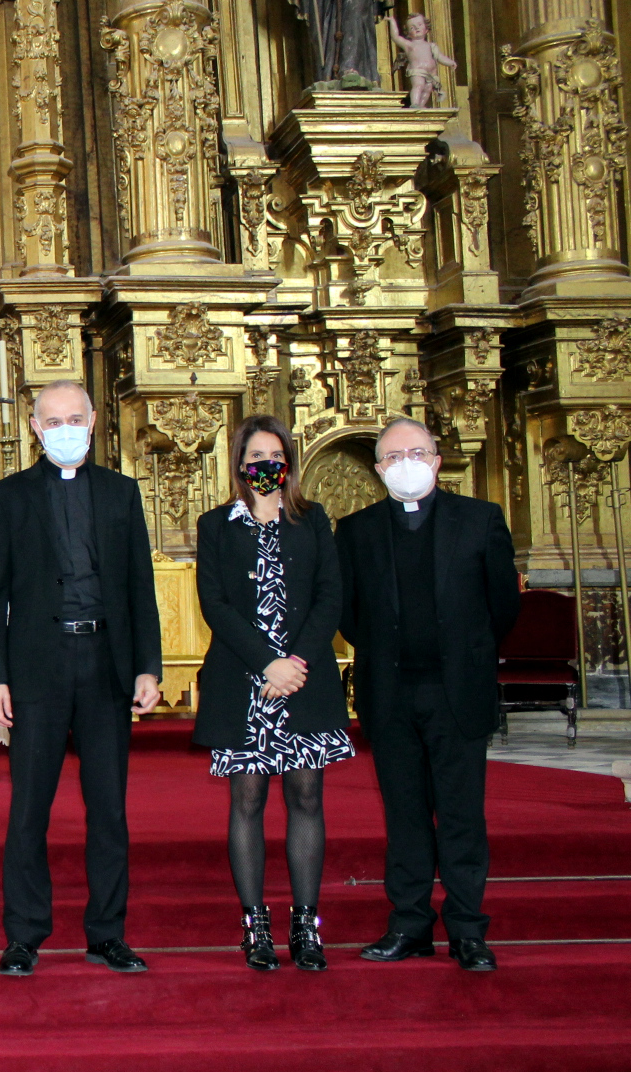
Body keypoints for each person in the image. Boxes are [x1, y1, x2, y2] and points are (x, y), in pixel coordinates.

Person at [0, 380, 163, 977]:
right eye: (51, 420)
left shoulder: (121, 492)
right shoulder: (8, 496)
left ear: (91, 421)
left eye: (74, 418)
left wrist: (148, 665)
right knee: (29, 806)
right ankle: (24, 933)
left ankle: (108, 931)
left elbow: (140, 585)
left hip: (107, 662)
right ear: (34, 427)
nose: (63, 428)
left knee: (108, 808)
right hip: (37, 666)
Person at [337, 417, 520, 971]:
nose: (406, 464)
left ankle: (467, 930)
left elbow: (502, 607)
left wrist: (466, 655)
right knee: (406, 816)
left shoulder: (480, 520)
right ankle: (410, 924)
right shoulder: (356, 530)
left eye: (416, 453)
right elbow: (349, 614)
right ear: (378, 470)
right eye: (393, 457)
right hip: (390, 692)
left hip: (457, 692)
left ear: (437, 461)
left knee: (462, 816)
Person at [194, 415, 352, 972]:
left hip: (303, 681)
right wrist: (267, 663)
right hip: (247, 682)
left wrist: (296, 664)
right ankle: (255, 924)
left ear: (290, 462)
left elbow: (330, 597)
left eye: (275, 455)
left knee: (307, 797)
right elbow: (215, 605)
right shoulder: (215, 525)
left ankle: (306, 925)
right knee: (249, 800)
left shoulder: (313, 522)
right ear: (240, 465)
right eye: (255, 456)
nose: (266, 465)